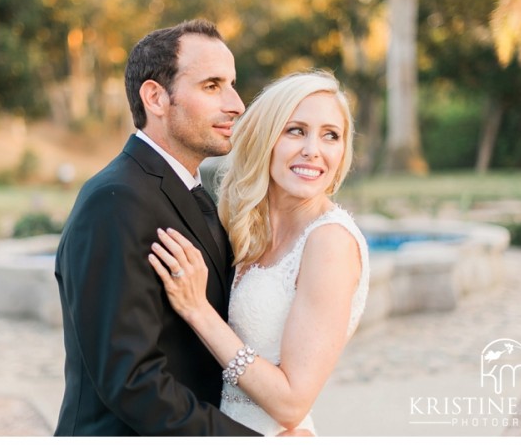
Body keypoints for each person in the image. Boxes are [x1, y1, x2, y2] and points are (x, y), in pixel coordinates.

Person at [53, 19, 259, 436]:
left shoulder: (193, 192)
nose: (237, 104)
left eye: (232, 84)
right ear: (156, 97)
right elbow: (131, 381)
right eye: (212, 85)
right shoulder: (115, 202)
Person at [148, 70, 370, 436]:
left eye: (331, 135)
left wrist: (198, 311)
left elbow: (291, 403)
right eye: (295, 130)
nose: (313, 150)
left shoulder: (330, 242)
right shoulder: (245, 225)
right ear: (265, 137)